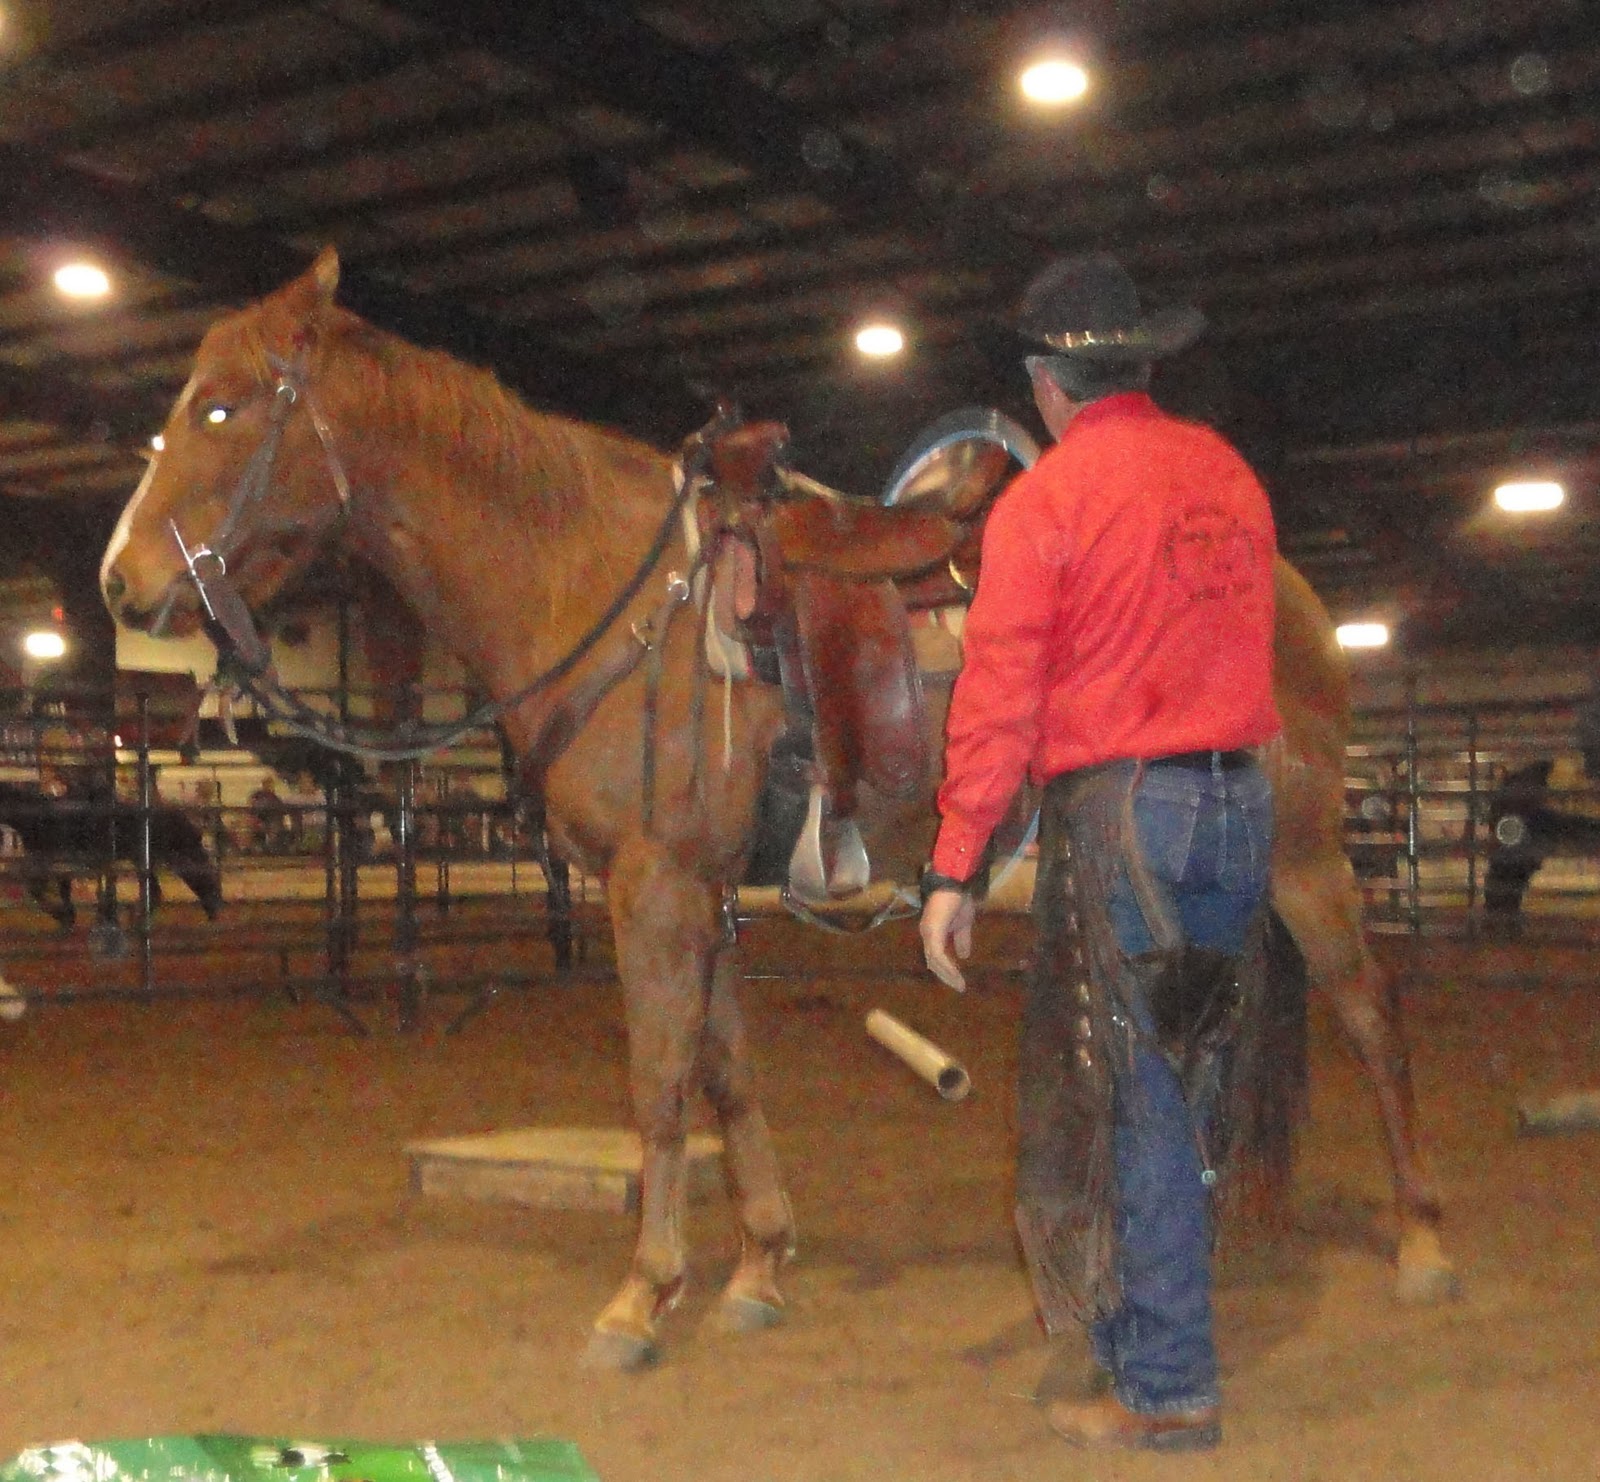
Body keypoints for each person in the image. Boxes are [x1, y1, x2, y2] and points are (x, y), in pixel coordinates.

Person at [919, 253, 1282, 1452]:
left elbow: (999, 687)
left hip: (1128, 811)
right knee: (1202, 1077)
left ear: (1045, 384)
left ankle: (1167, 1382)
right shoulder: (1227, 475)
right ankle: (1146, 1340)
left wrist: (955, 863)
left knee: (1137, 1091)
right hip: (1239, 800)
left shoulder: (1049, 500)